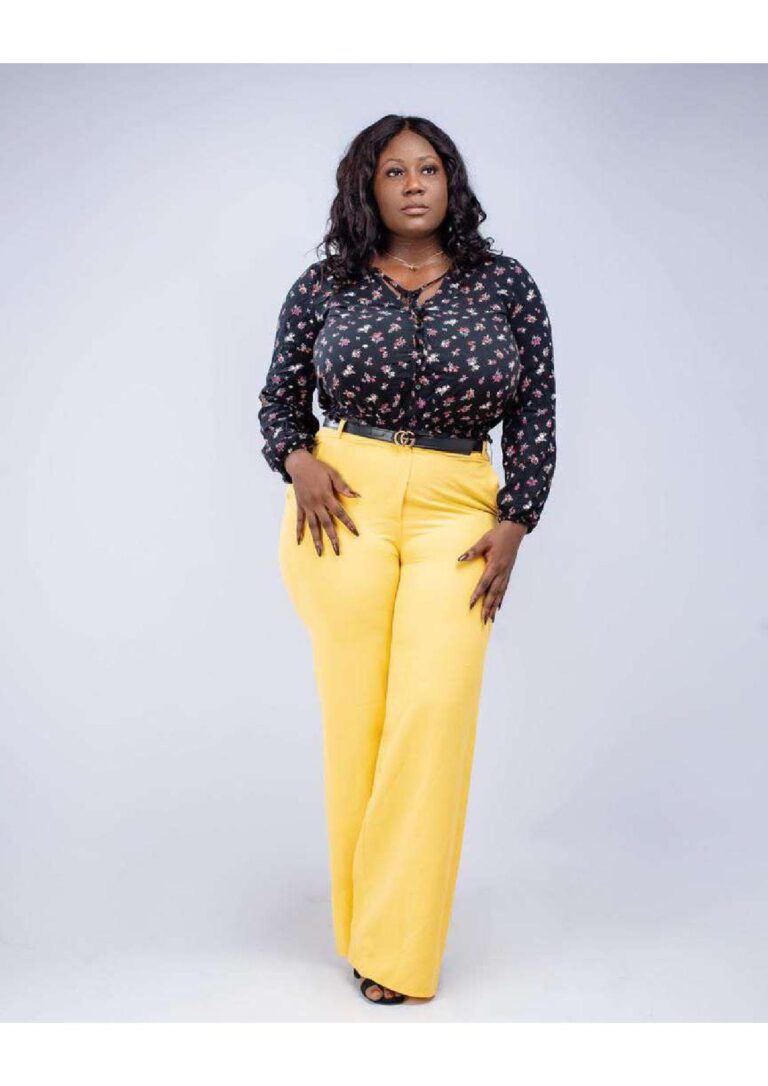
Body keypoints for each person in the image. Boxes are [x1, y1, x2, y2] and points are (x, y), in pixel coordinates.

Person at [257, 114, 556, 1005]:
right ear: (369, 187)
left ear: (451, 181)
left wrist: (518, 518)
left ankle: (395, 946)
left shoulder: (505, 284)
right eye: (395, 171)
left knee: (433, 707)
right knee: (357, 714)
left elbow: (536, 409)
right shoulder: (326, 285)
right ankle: (367, 933)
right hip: (342, 502)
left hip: (459, 507)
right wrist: (298, 460)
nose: (415, 183)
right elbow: (279, 397)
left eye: (429, 168)